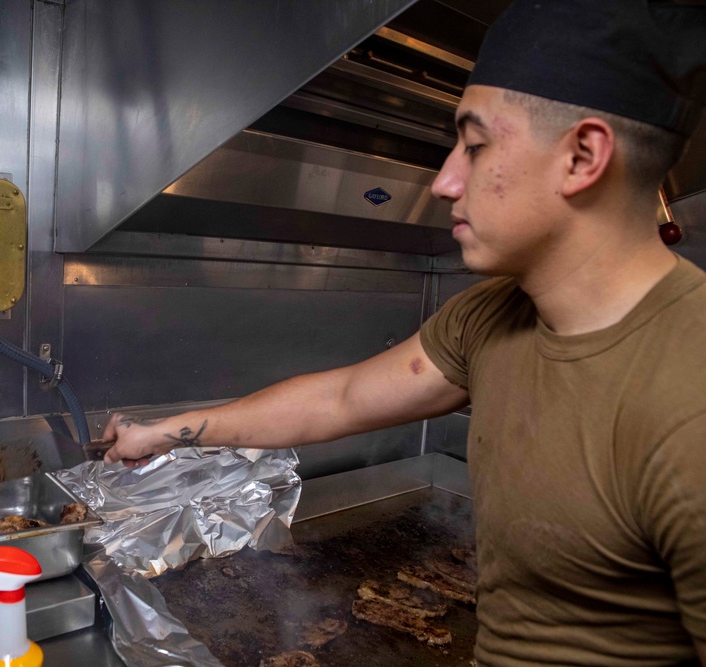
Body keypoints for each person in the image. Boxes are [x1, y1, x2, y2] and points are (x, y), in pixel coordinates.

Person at [103, 1, 706, 664]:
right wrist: (168, 431)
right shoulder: (488, 317)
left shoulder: (687, 401)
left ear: (583, 155)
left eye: (475, 146)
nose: (446, 180)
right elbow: (343, 398)